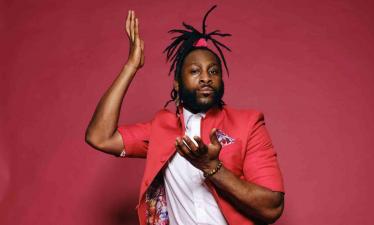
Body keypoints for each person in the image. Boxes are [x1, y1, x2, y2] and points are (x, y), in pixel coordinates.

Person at [85, 5, 285, 225]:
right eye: (194, 71)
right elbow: (100, 137)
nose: (206, 78)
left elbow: (272, 207)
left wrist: (212, 168)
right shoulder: (161, 129)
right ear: (177, 85)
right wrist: (130, 67)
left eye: (213, 71)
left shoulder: (248, 124)